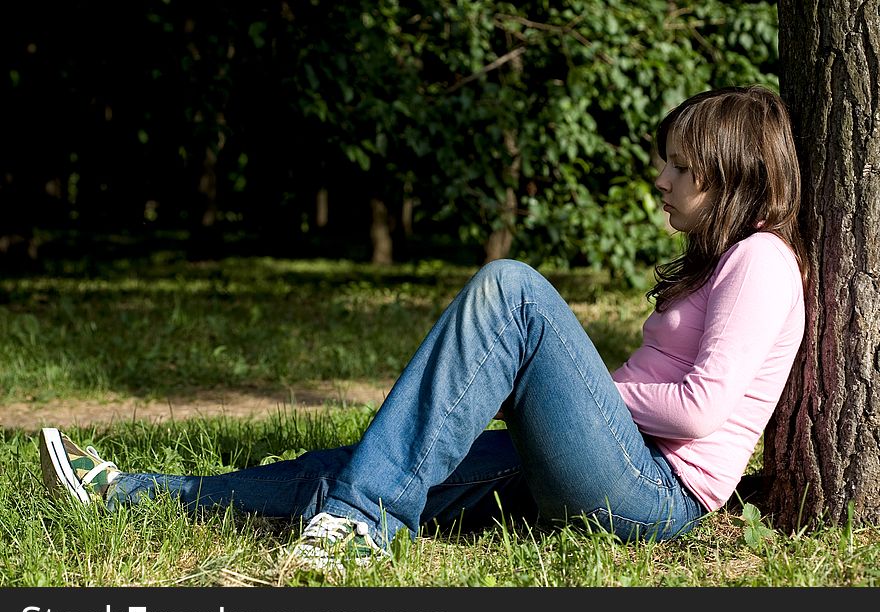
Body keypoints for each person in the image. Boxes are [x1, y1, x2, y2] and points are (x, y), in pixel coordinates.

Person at [39, 85, 807, 572]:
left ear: (728, 170)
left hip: (653, 493)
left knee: (514, 289)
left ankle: (360, 525)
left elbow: (702, 409)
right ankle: (133, 493)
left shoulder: (762, 259)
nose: (661, 180)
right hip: (620, 464)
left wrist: (566, 392)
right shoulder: (723, 260)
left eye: (679, 166)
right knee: (371, 459)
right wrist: (549, 396)